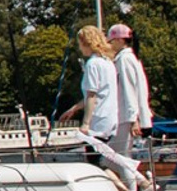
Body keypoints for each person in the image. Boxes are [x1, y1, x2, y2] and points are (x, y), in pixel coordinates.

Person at [60, 24, 121, 143]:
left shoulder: (92, 64)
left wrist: (85, 123)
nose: (79, 48)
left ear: (86, 43)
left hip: (98, 121)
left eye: (80, 44)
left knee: (94, 153)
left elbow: (91, 95)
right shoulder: (108, 62)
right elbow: (100, 93)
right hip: (110, 117)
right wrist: (74, 109)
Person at [111, 23, 152, 151]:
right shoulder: (131, 58)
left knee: (119, 157)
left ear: (120, 40)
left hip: (126, 117)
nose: (109, 45)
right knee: (118, 157)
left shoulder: (124, 59)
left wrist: (133, 119)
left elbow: (129, 90)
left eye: (111, 41)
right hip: (127, 116)